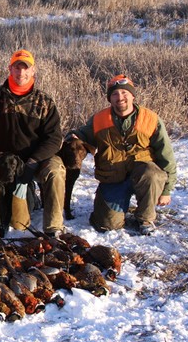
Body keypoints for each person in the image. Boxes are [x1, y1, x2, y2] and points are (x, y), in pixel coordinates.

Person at [68, 74, 177, 235]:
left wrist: (167, 190)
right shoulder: (100, 119)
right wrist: (71, 138)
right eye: (115, 94)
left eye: (124, 93)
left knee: (152, 174)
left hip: (143, 175)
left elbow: (166, 155)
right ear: (110, 99)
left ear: (132, 95)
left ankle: (145, 217)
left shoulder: (150, 119)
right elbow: (82, 134)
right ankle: (118, 208)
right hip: (113, 179)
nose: (120, 97)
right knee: (106, 225)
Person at [0, 50, 65, 237]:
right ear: (10, 69)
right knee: (19, 224)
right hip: (5, 164)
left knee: (55, 171)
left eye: (26, 68)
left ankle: (54, 227)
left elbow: (55, 138)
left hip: (36, 160)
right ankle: (25, 199)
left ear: (33, 71)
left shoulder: (44, 101)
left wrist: (33, 162)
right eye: (17, 67)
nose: (21, 73)